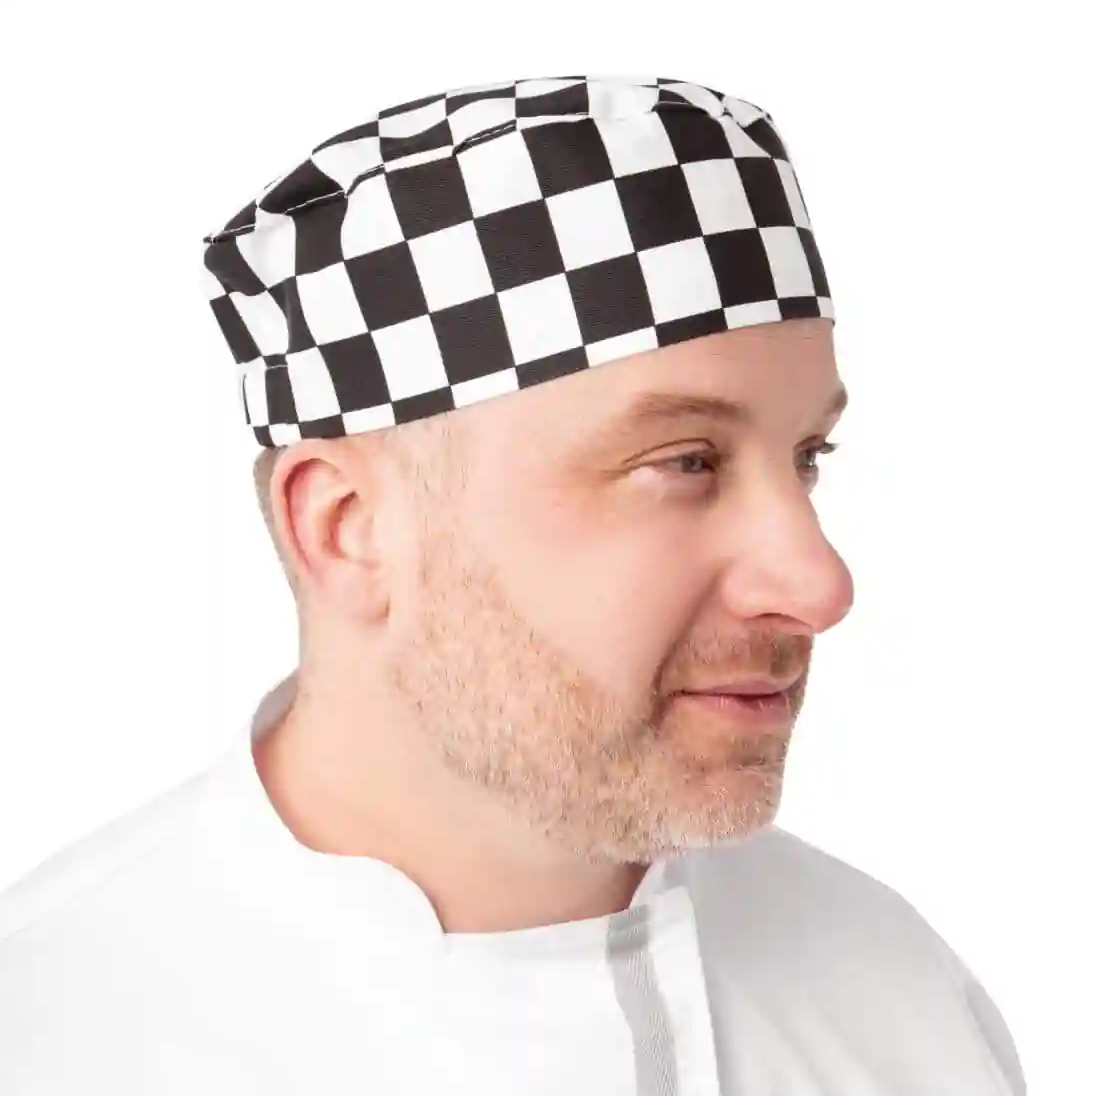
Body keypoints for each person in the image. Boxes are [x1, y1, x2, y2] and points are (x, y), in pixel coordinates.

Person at [0, 74, 1027, 1094]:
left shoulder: (899, 1008)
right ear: (350, 529)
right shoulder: (60, 1035)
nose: (818, 582)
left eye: (807, 457)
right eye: (684, 462)